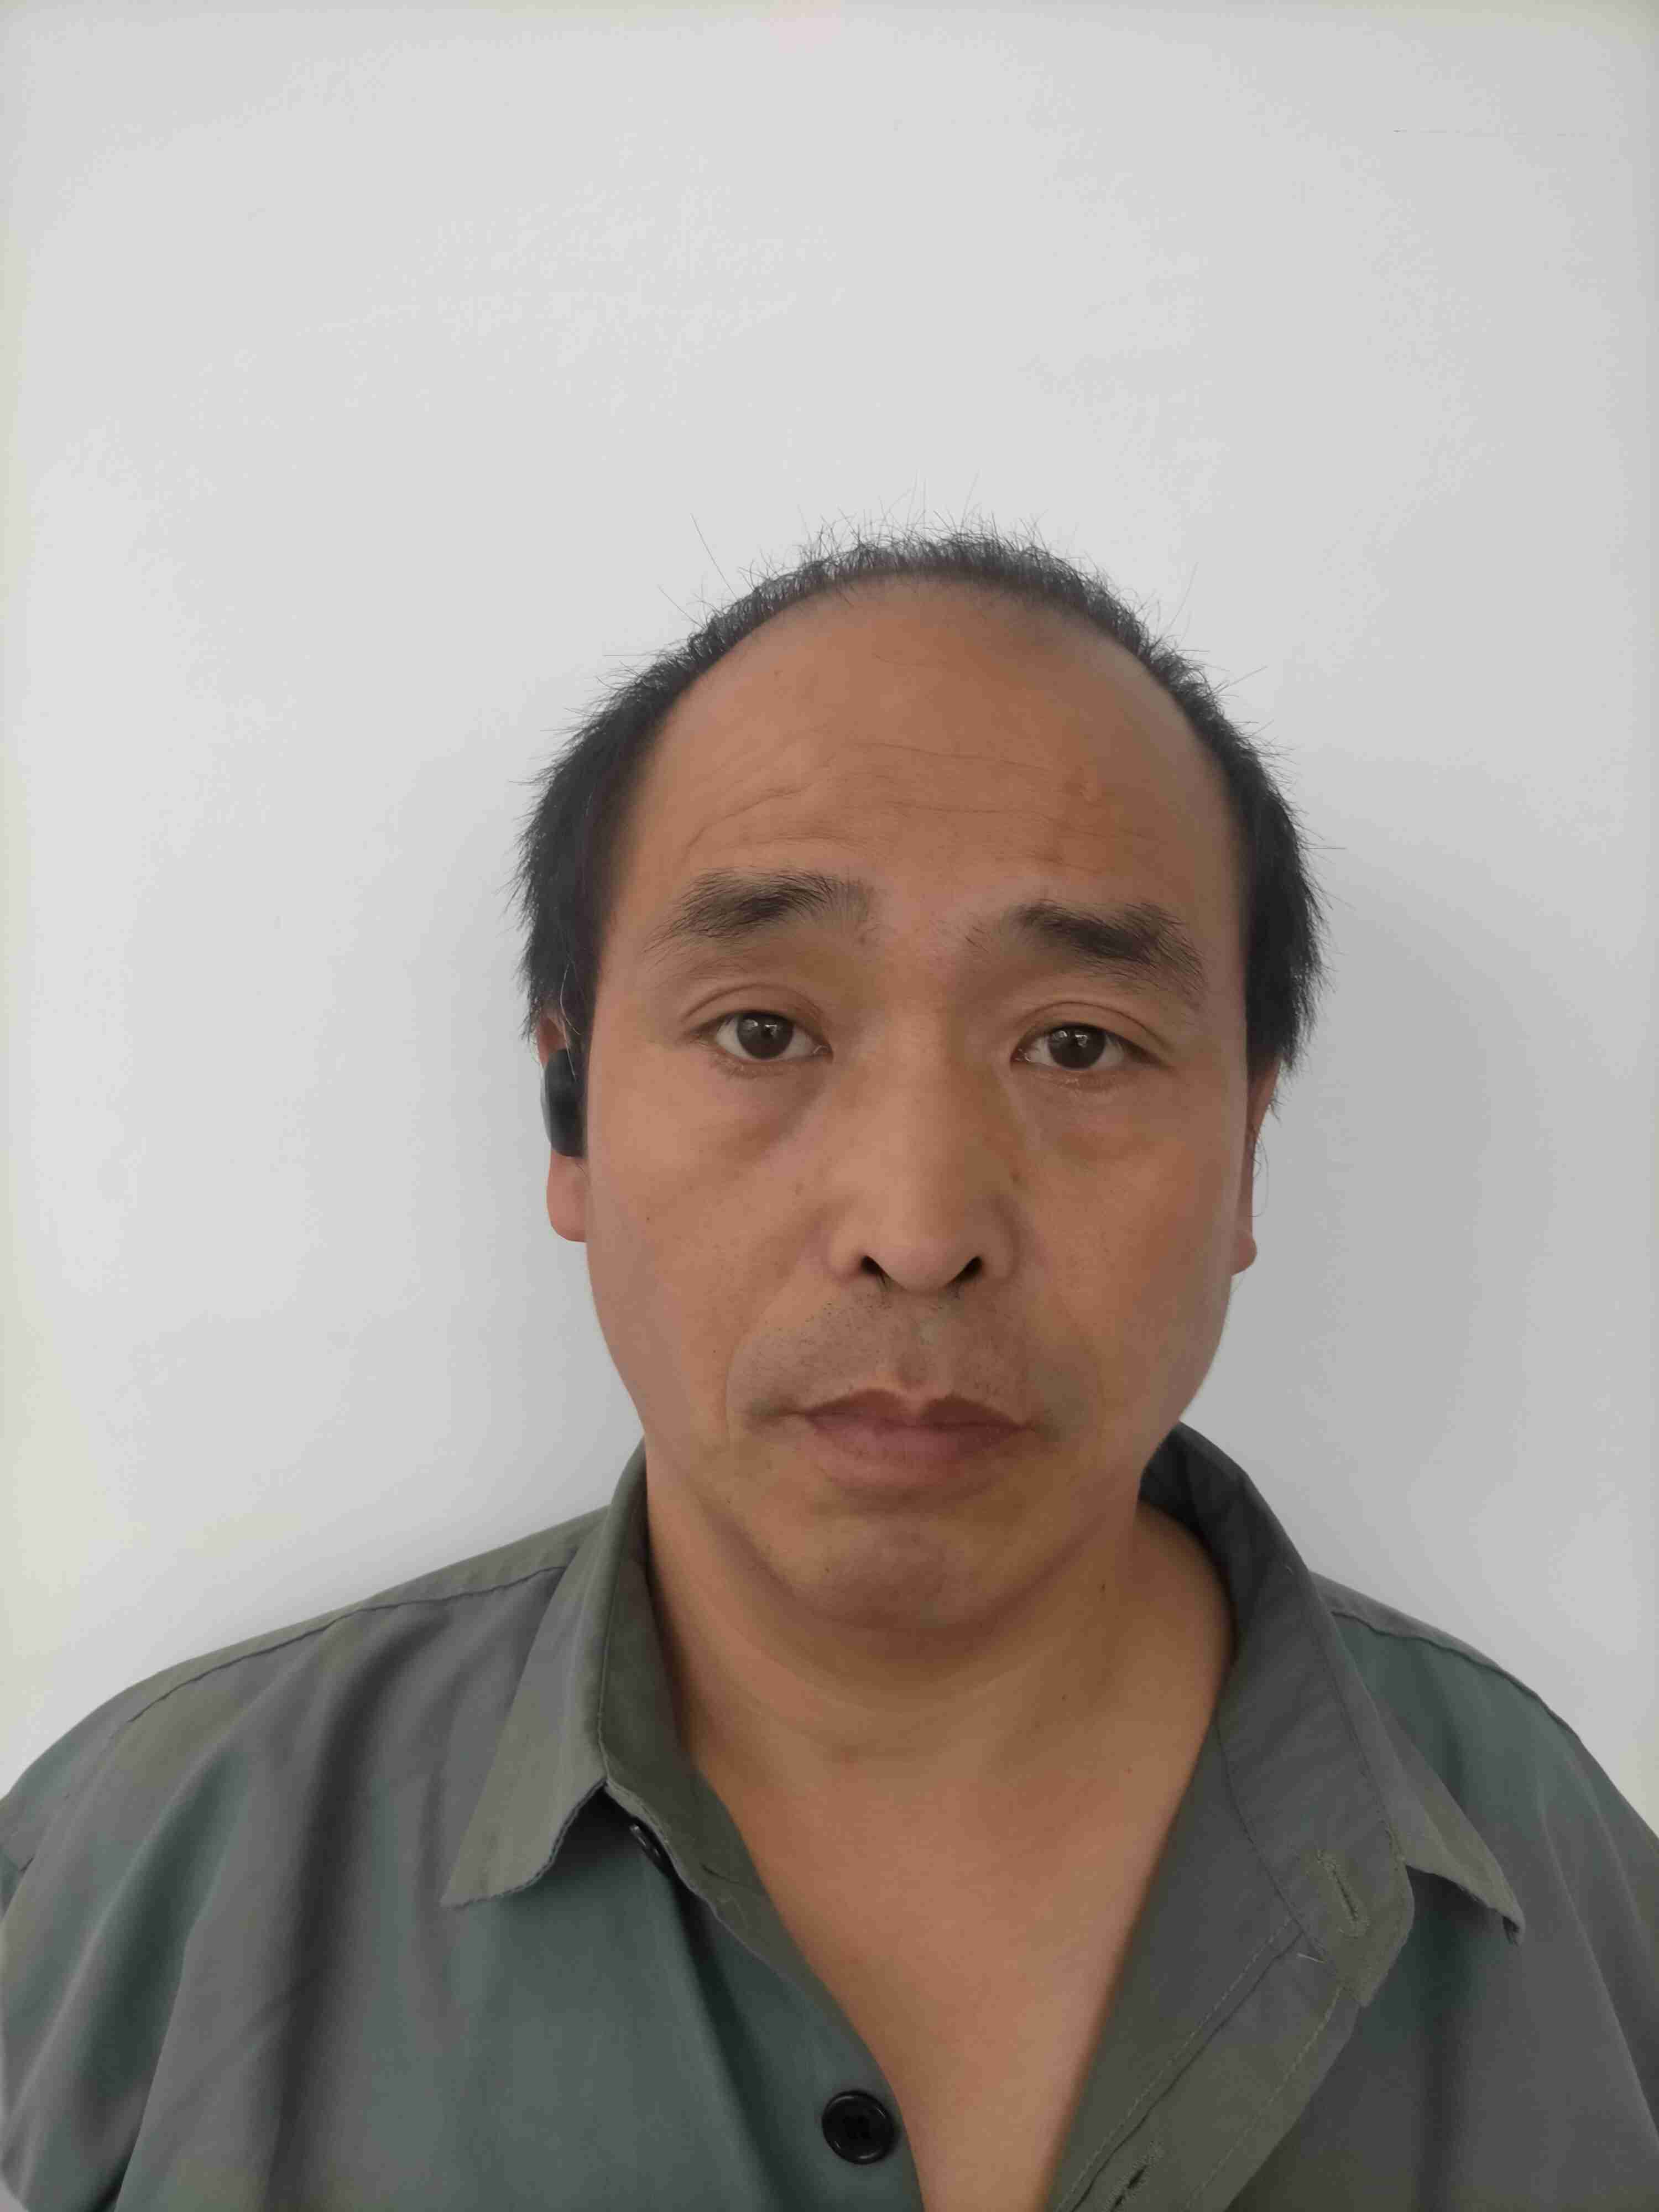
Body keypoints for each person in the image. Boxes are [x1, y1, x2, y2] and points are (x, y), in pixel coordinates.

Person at [2, 523, 1655, 2212]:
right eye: (763, 1030)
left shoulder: (1586, 1914)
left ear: (1245, 1153)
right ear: (570, 1116)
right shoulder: (133, 1884)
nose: (919, 1229)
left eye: (1078, 1043)